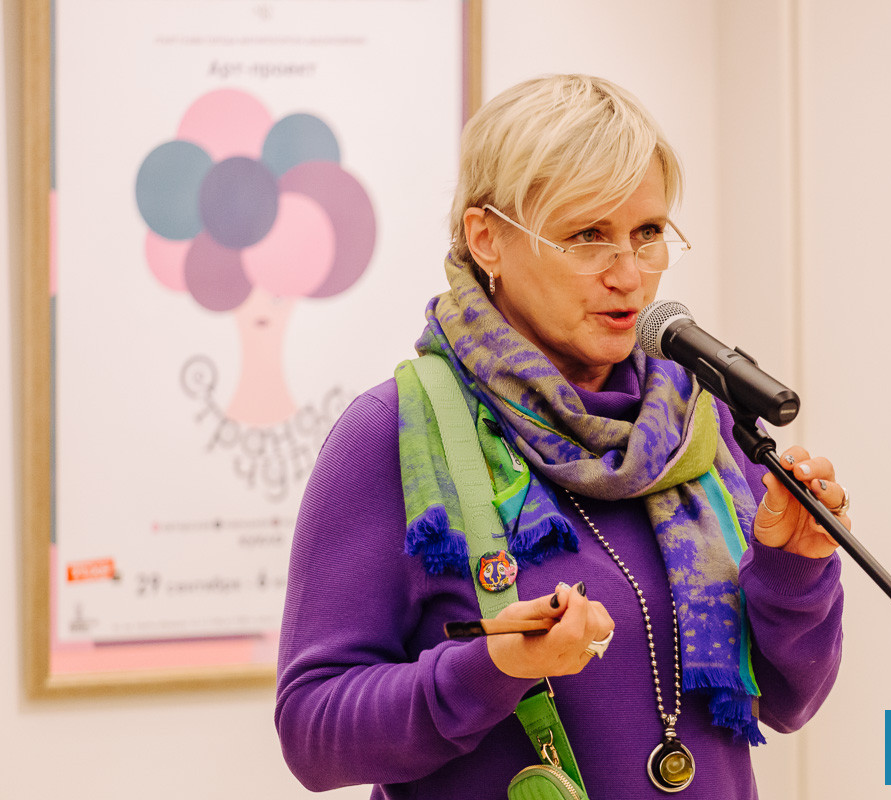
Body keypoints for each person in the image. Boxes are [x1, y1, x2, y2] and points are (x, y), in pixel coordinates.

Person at [275, 73, 846, 800]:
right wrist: (489, 670)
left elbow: (789, 701)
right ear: (487, 239)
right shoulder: (392, 431)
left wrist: (794, 567)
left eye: (647, 233)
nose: (629, 274)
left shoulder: (703, 421)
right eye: (587, 236)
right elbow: (312, 736)